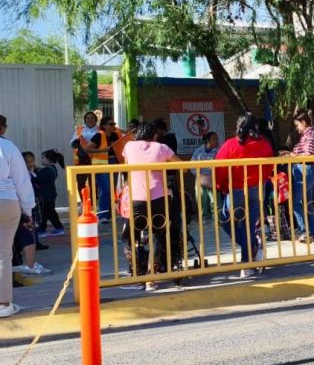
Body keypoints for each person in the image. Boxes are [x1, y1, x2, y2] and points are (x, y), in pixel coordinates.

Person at [122, 122, 182, 291]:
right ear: (155, 135)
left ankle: (136, 273)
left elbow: (126, 166)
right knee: (157, 235)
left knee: (130, 236)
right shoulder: (161, 147)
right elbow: (181, 166)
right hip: (158, 197)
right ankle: (151, 277)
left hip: (135, 198)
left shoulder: (129, 146)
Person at [215, 113, 275, 278]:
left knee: (227, 221)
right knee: (248, 226)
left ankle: (249, 254)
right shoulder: (264, 144)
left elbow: (218, 169)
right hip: (256, 188)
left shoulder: (230, 145)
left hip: (235, 190)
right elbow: (269, 167)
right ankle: (249, 258)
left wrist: (221, 186)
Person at [0, 117, 36, 317]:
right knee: (3, 254)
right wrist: (28, 210)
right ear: (3, 128)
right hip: (7, 201)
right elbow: (22, 181)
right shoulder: (9, 147)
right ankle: (3, 304)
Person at [279, 112, 314, 243]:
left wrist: (291, 155)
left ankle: (305, 231)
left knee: (294, 202)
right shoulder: (311, 134)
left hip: (305, 170)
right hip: (307, 170)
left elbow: (308, 154)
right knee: (307, 203)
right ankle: (312, 233)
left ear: (303, 123)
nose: (297, 128)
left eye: (297, 125)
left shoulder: (309, 135)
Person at [70, 111, 111, 221]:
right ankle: (84, 204)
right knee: (81, 182)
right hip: (82, 159)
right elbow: (72, 143)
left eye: (92, 118)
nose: (90, 120)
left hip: (95, 160)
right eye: (88, 118)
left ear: (96, 120)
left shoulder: (100, 131)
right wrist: (77, 140)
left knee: (94, 184)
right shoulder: (79, 130)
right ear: (85, 119)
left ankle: (93, 205)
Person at [36, 149, 66, 237]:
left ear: (48, 159)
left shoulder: (47, 170)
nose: (41, 160)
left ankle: (42, 230)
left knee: (44, 213)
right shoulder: (52, 169)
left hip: (46, 195)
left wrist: (34, 172)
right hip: (50, 194)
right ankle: (58, 228)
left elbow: (37, 179)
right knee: (50, 213)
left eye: (43, 158)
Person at [190, 132, 220, 219]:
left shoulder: (219, 151)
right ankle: (204, 218)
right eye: (214, 139)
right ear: (207, 140)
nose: (217, 141)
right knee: (201, 200)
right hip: (200, 178)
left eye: (217, 139)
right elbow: (192, 165)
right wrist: (199, 175)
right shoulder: (198, 151)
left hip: (213, 179)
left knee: (215, 201)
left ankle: (216, 218)